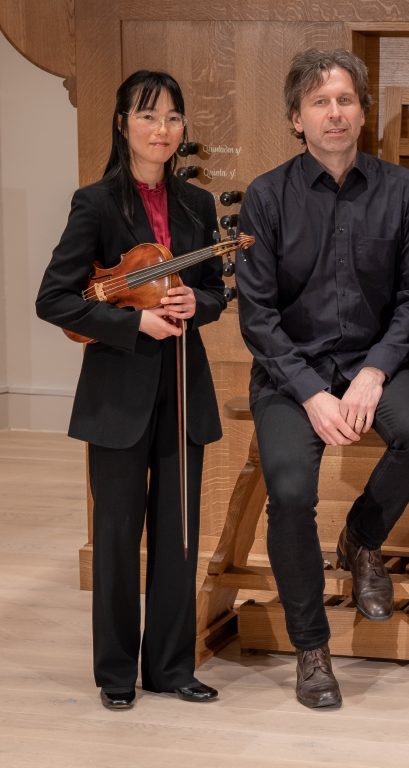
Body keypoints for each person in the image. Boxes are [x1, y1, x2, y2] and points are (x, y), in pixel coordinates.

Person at [236, 48, 409, 709]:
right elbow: (258, 315)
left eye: (346, 100)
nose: (335, 113)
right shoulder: (267, 197)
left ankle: (361, 537)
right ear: (296, 118)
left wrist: (376, 372)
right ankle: (311, 647)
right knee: (292, 493)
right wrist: (310, 392)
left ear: (363, 111)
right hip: (288, 371)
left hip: (371, 360)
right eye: (320, 102)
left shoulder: (401, 190)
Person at [36, 70, 226, 710]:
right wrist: (132, 322)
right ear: (123, 124)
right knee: (118, 537)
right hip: (116, 394)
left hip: (182, 391)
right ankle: (116, 675)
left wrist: (191, 301)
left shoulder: (198, 207)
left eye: (173, 117)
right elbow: (55, 300)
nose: (163, 130)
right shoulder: (95, 203)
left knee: (177, 535)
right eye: (149, 116)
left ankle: (172, 668)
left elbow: (216, 295)